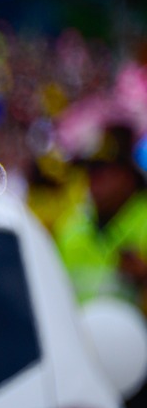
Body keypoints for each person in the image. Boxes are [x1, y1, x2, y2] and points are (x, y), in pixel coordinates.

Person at [52, 124, 147, 309]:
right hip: (77, 336)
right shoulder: (69, 228)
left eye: (101, 171)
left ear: (127, 175)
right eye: (89, 171)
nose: (93, 180)